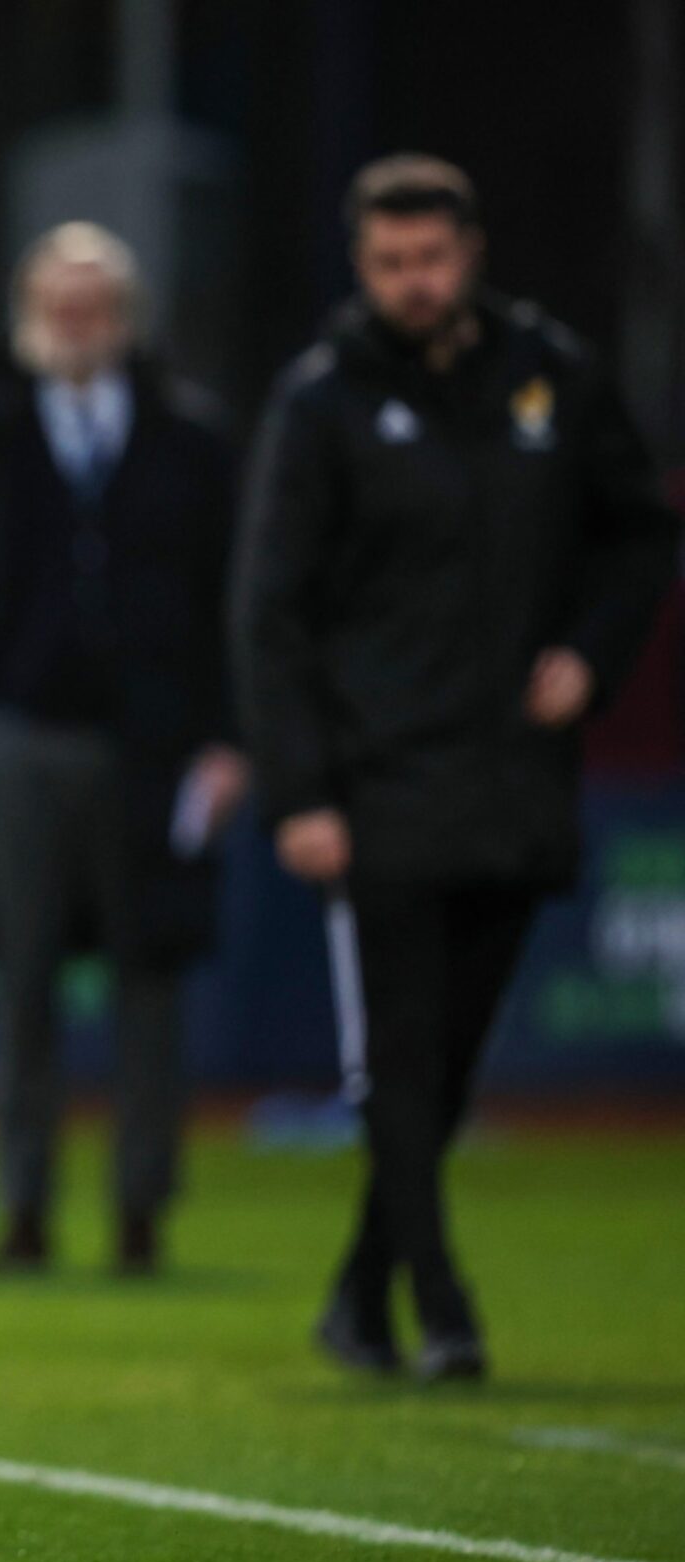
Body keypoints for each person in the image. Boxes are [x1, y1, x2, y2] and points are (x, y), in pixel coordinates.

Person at [234, 155, 679, 1381]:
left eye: (428, 259)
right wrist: (302, 791)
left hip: (516, 778)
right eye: (387, 264)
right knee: (399, 1062)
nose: (411, 283)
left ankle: (357, 1299)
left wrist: (591, 655)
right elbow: (268, 612)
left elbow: (639, 535)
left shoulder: (552, 376)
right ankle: (444, 1308)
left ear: (469, 253)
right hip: (376, 786)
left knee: (450, 1065)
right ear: (359, 264)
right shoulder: (320, 403)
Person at [0, 222, 247, 1276]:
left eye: (92, 306)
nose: (75, 326)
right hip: (18, 738)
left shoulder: (189, 440)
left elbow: (224, 602)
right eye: (57, 306)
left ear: (123, 319)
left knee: (147, 981)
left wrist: (224, 738)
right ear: (31, 315)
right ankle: (23, 1212)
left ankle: (140, 1215)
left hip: (149, 748)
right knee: (19, 986)